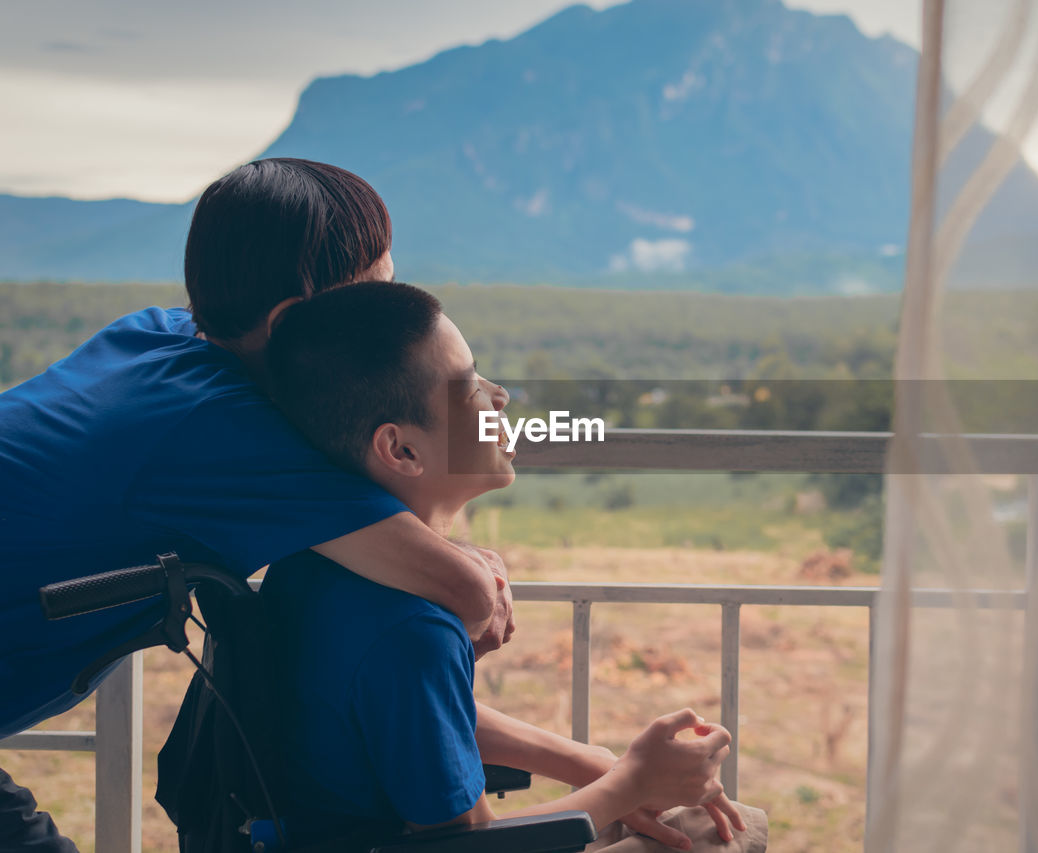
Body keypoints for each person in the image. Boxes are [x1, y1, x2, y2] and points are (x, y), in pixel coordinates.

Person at [0, 159, 509, 853]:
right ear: (292, 321)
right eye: (378, 296)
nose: (394, 319)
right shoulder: (224, 429)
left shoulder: (157, 335)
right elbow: (464, 591)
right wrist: (467, 583)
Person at [260, 281, 768, 851]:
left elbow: (420, 720)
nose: (498, 397)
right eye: (470, 386)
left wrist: (602, 766)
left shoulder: (322, 564)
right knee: (721, 834)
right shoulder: (410, 626)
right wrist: (633, 782)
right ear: (401, 450)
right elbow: (466, 845)